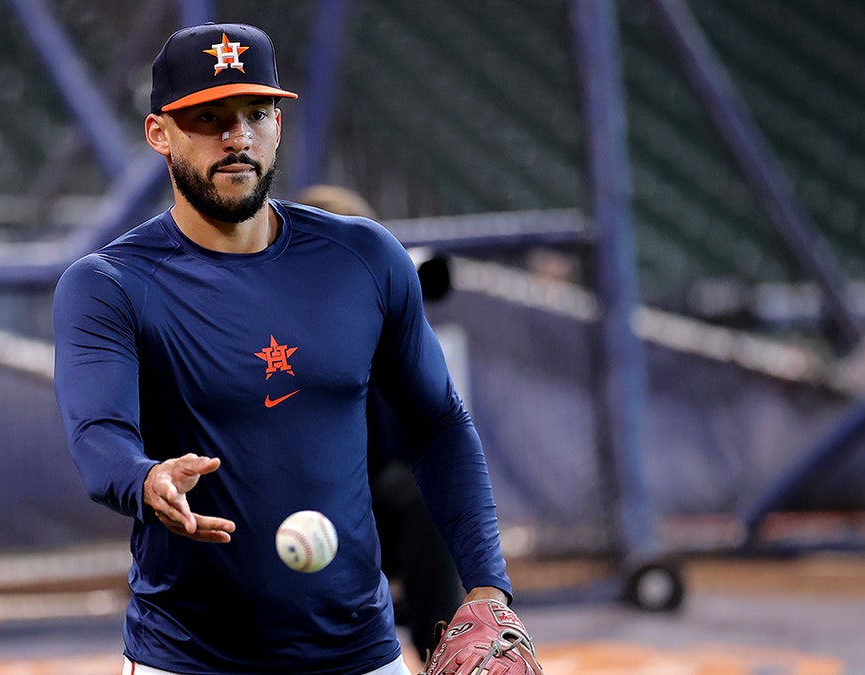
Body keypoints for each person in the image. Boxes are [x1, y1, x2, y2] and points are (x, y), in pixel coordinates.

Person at [53, 22, 529, 674]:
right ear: (159, 133)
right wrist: (145, 478)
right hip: (188, 658)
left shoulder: (365, 259)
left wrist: (487, 584)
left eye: (256, 113)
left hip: (359, 654)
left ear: (279, 123)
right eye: (209, 118)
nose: (237, 137)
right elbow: (97, 433)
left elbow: (439, 424)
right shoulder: (109, 285)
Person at [294, 185, 464, 660]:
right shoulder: (274, 322)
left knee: (421, 492)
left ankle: (443, 651)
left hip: (369, 503)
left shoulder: (382, 319)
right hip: (287, 512)